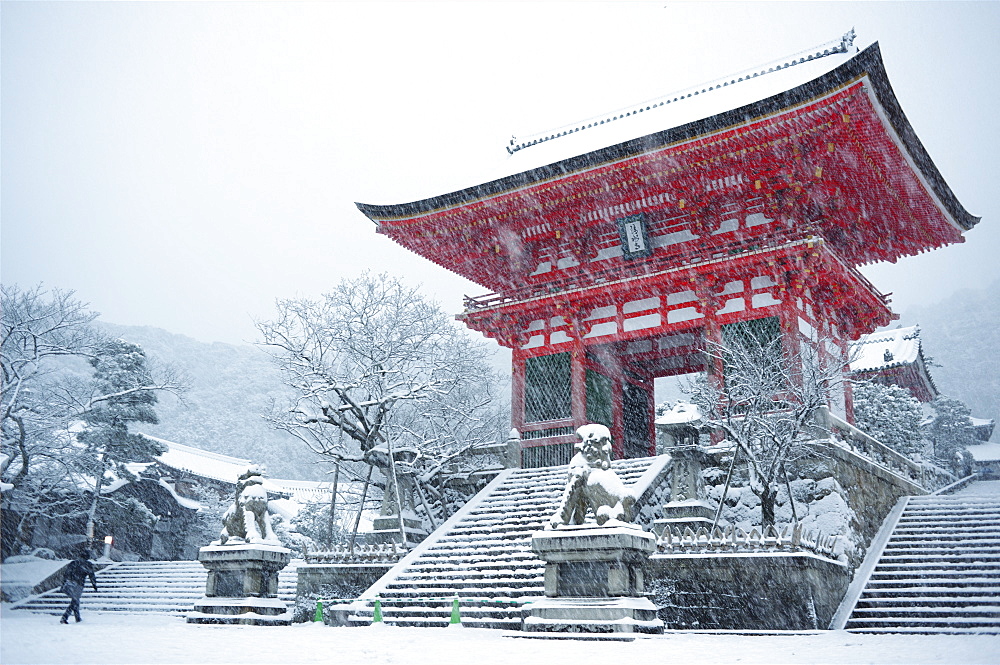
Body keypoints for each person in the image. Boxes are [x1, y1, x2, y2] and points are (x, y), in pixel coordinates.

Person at [59, 549, 98, 624]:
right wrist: (94, 585)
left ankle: (77, 618)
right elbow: (91, 575)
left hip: (70, 583)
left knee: (75, 601)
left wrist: (64, 583)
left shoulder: (73, 563)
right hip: (79, 585)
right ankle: (65, 617)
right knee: (75, 601)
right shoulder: (87, 564)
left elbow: (66, 574)